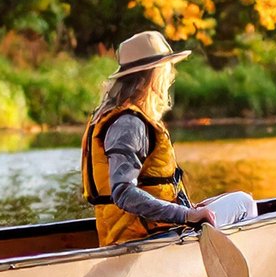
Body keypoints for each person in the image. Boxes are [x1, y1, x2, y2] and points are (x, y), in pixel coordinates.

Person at [80, 30, 258, 246]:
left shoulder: (118, 117)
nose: (171, 74)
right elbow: (123, 192)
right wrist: (186, 216)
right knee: (244, 203)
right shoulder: (129, 123)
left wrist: (187, 209)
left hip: (139, 232)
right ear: (154, 74)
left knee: (229, 201)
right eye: (167, 67)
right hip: (144, 239)